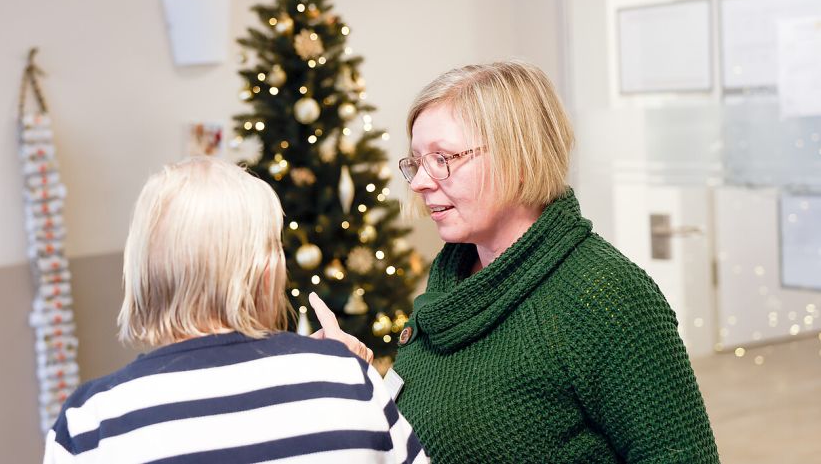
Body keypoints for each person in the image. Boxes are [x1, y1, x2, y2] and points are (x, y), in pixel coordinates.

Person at [383, 61, 718, 462]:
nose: (420, 182)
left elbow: (678, 454)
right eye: (417, 162)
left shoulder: (604, 294)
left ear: (520, 161)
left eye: (442, 158)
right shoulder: (454, 277)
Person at [43, 157, 427, 463]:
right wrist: (341, 372)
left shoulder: (91, 424)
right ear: (267, 271)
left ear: (141, 272)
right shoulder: (348, 380)